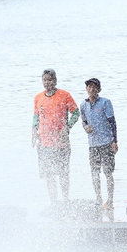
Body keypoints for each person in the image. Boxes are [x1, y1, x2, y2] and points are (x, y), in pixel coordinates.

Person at [32, 69, 79, 202]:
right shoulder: (38, 97)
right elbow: (36, 116)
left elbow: (76, 113)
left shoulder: (65, 95)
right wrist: (33, 132)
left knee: (63, 173)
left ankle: (65, 199)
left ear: (55, 81)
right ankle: (54, 201)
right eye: (45, 80)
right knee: (49, 175)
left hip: (61, 142)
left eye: (50, 80)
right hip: (44, 143)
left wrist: (68, 127)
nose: (47, 82)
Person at [79, 77, 118, 218]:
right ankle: (98, 198)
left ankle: (110, 199)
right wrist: (85, 127)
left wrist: (115, 141)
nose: (91, 89)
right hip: (93, 144)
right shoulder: (83, 105)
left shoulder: (105, 103)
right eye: (89, 87)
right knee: (94, 173)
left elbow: (112, 122)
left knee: (108, 173)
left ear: (99, 89)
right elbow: (83, 120)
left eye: (94, 87)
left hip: (106, 142)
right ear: (86, 89)